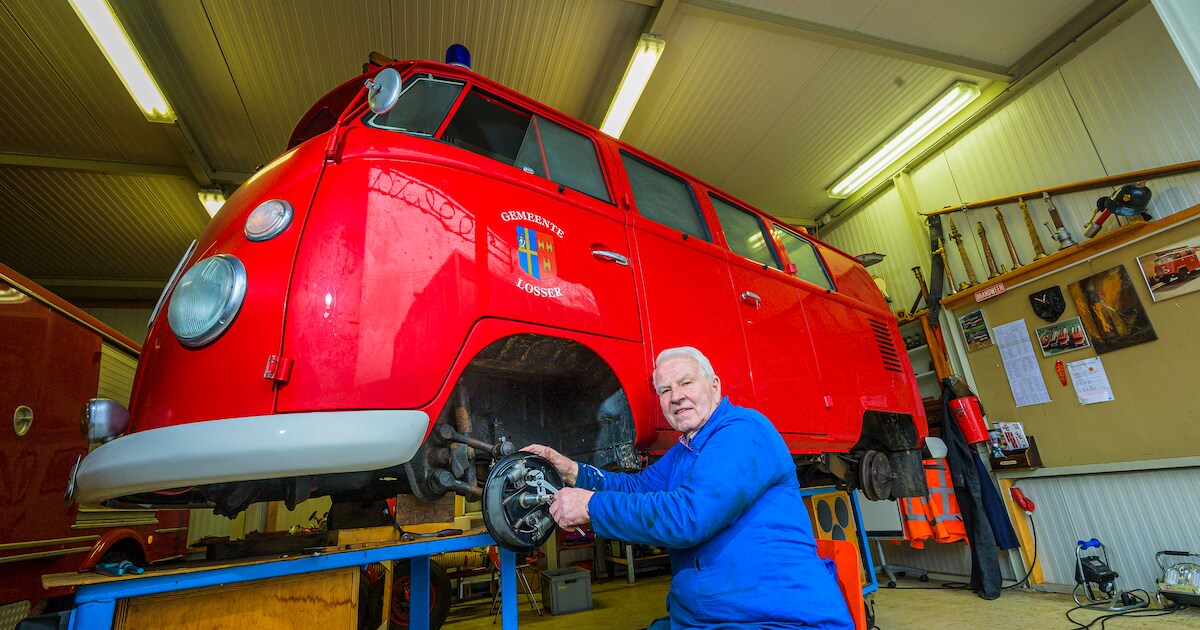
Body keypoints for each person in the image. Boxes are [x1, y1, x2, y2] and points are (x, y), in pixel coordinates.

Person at [524, 346, 853, 629]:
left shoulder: (743, 432)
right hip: (706, 620)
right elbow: (636, 487)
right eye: (664, 390)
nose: (675, 396)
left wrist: (592, 506)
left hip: (778, 618)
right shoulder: (684, 450)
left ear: (715, 386)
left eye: (685, 383)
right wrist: (572, 471)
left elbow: (689, 516)